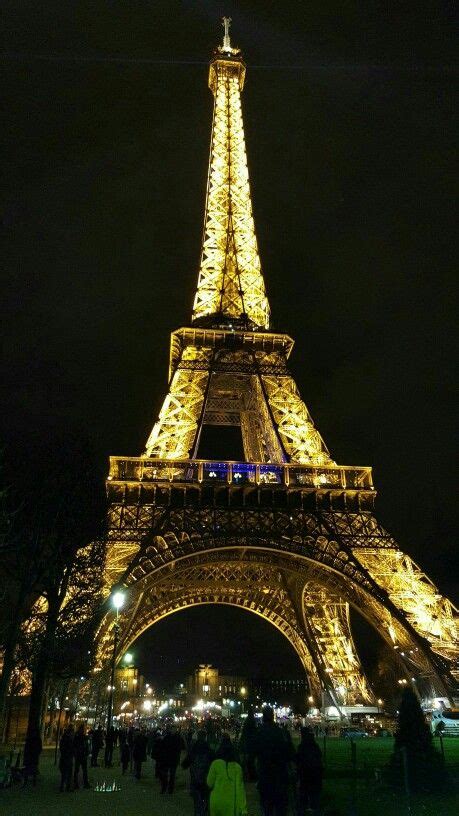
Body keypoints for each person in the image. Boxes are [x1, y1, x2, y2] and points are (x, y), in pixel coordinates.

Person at [254, 707, 293, 816]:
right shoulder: (281, 733)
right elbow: (290, 754)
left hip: (265, 777)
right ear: (272, 716)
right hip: (280, 777)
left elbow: (253, 753)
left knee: (267, 809)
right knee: (280, 809)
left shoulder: (259, 733)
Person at [207, 733, 247, 816]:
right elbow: (240, 789)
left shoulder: (215, 764)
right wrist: (243, 808)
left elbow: (209, 783)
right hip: (231, 803)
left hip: (216, 801)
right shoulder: (237, 767)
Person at [182, 729, 214, 816]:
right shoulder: (209, 749)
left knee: (197, 802)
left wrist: (185, 765)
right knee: (207, 798)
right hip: (206, 779)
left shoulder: (194, 748)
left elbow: (186, 763)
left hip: (195, 779)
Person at [295, 727, 323, 816]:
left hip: (305, 774)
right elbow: (319, 756)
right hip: (315, 773)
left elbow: (298, 759)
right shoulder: (314, 745)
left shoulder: (302, 746)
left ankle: (304, 810)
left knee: (304, 794)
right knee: (314, 794)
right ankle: (314, 809)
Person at [157, 724, 184, 794]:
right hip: (167, 758)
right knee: (165, 774)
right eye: (173, 729)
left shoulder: (178, 738)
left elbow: (181, 747)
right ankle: (164, 787)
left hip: (174, 759)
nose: (174, 730)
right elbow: (162, 746)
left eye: (175, 729)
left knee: (172, 775)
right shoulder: (167, 737)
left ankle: (170, 789)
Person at [239, 707, 258, 781]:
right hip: (249, 743)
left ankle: (249, 775)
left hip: (247, 742)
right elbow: (253, 732)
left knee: (249, 761)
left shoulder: (248, 720)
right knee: (250, 761)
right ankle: (251, 776)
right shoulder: (251, 720)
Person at [73, 723, 90, 789]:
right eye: (83, 729)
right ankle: (78, 783)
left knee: (82, 770)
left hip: (81, 755)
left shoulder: (80, 736)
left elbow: (85, 746)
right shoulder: (79, 736)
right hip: (80, 755)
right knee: (79, 770)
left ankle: (81, 783)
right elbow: (78, 745)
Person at [59, 724, 74, 792]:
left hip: (65, 756)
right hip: (67, 756)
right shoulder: (70, 737)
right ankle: (67, 786)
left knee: (64, 772)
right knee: (68, 772)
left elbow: (61, 746)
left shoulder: (64, 736)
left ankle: (63, 786)